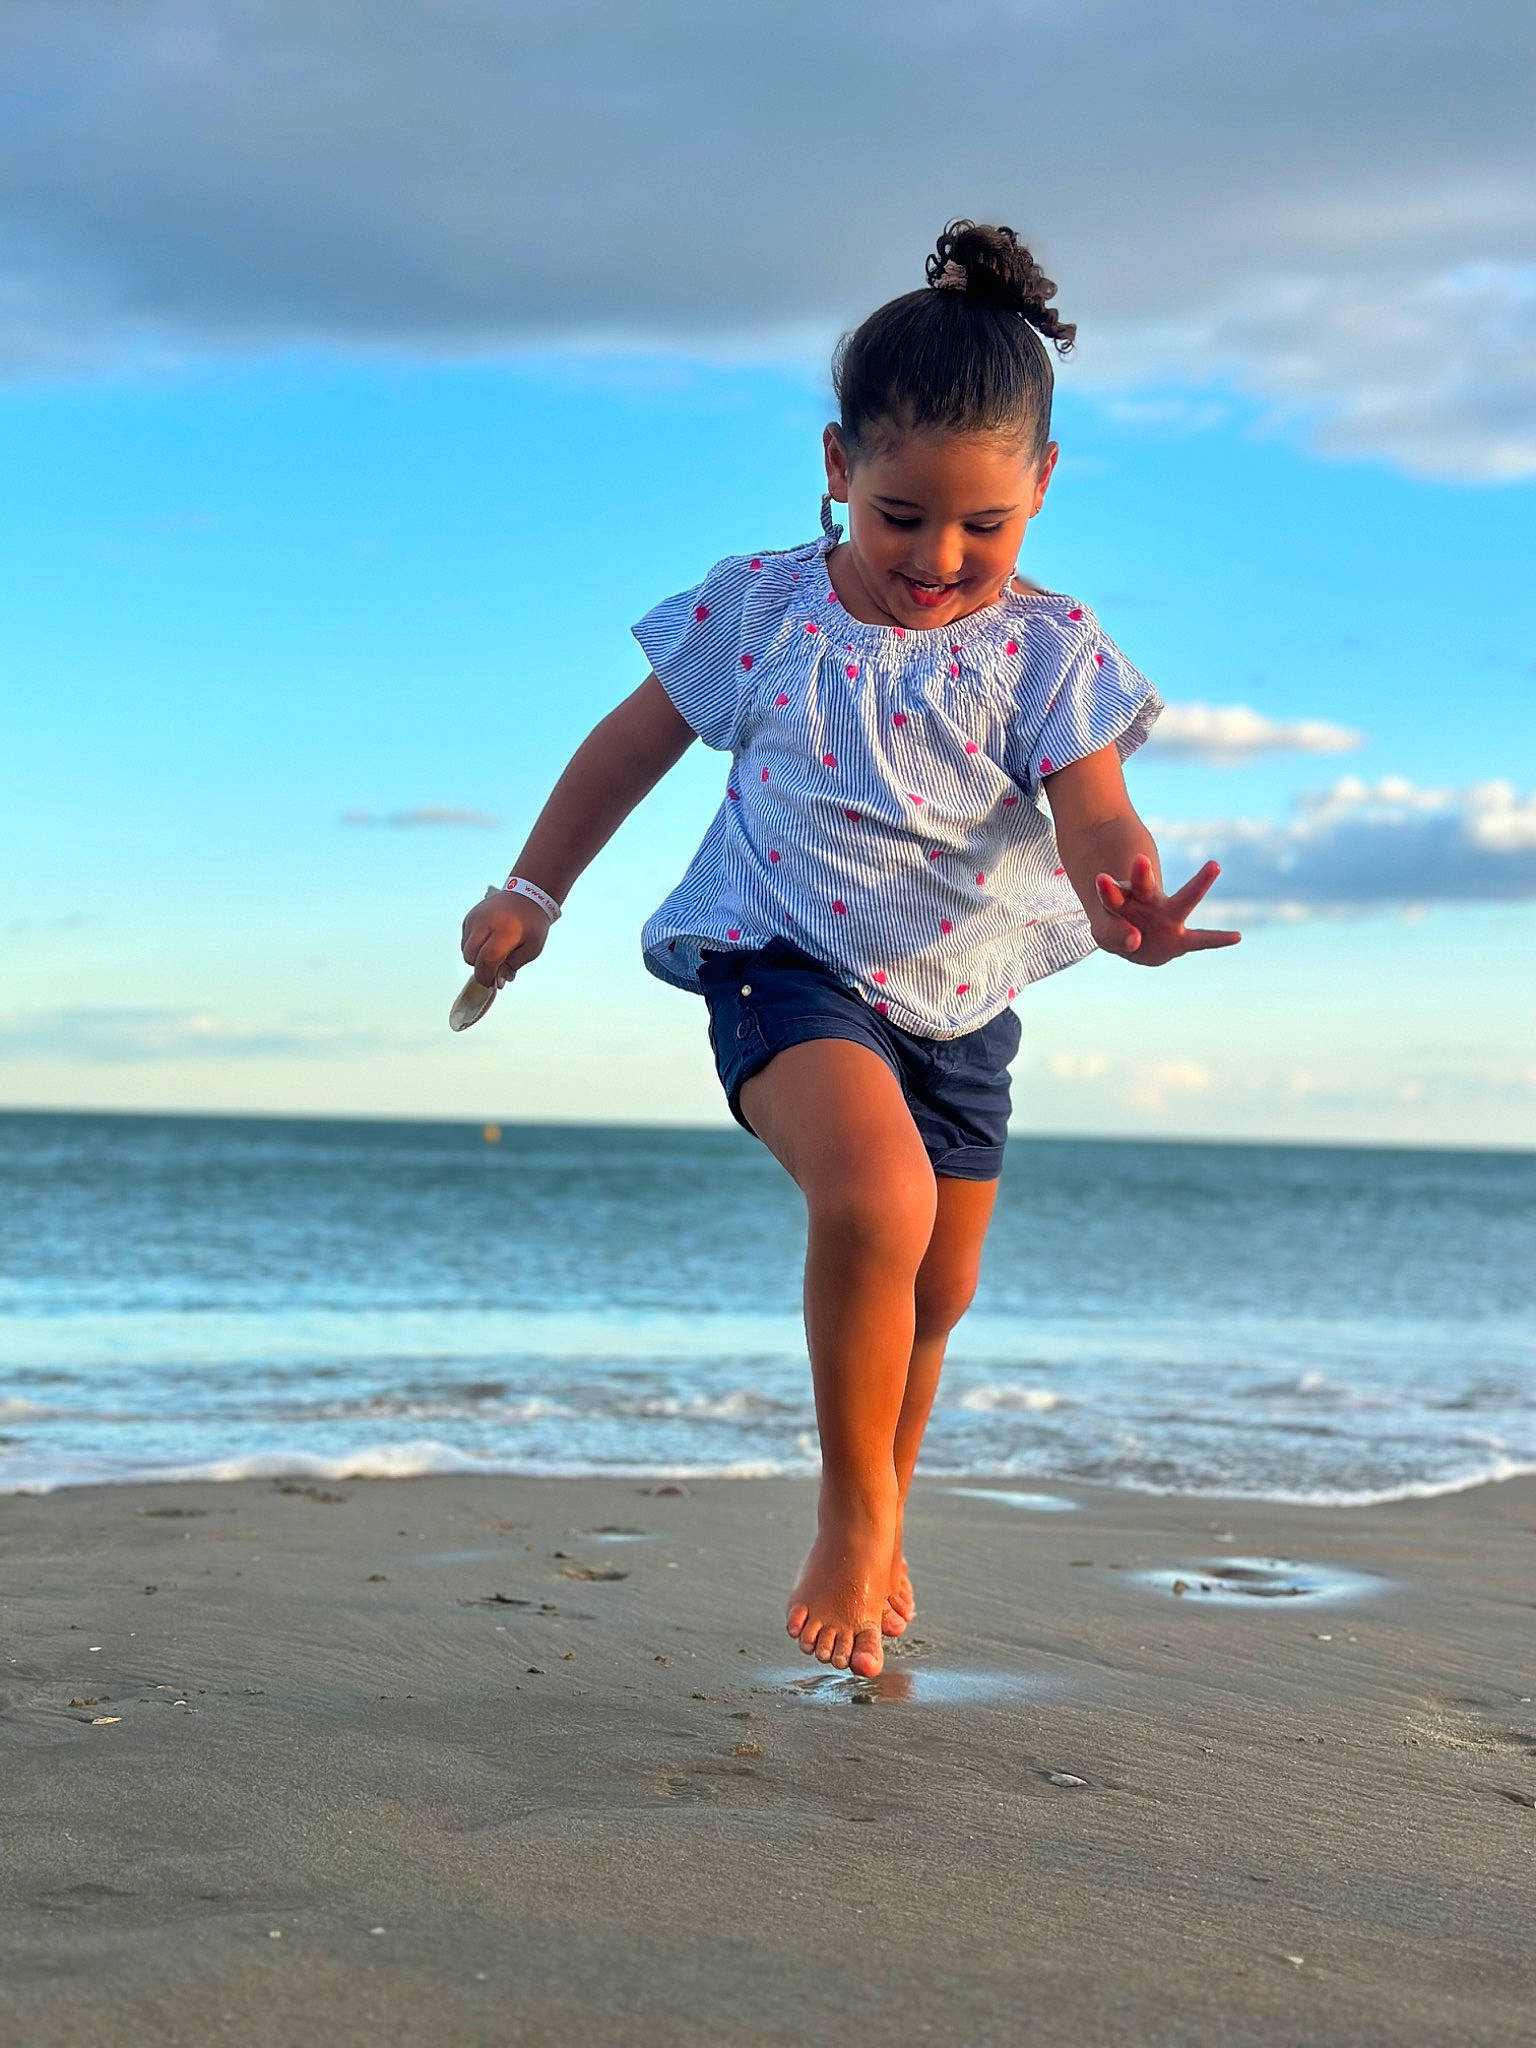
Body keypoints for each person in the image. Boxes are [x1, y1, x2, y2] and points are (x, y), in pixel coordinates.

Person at [460, 220, 1241, 1680]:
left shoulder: (1052, 650)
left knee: (939, 1291)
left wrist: (1125, 894)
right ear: (836, 469)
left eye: (981, 527)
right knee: (875, 1203)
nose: (938, 559)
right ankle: (848, 1506)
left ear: (1041, 491)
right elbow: (623, 753)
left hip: (958, 1001)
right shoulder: (759, 612)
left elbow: (1094, 808)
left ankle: (890, 1516)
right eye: (899, 518)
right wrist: (532, 891)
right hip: (782, 960)